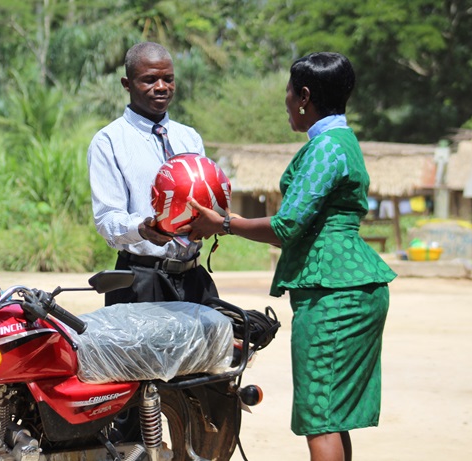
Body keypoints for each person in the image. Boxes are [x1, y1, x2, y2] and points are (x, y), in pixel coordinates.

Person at [179, 52, 397, 461]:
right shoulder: (342, 141)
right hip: (350, 286)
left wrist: (223, 224)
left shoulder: (326, 149)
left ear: (305, 96)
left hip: (333, 292)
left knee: (320, 416)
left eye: (289, 90)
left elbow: (286, 226)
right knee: (331, 415)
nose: (285, 99)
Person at [87, 41, 218, 306]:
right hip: (140, 281)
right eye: (149, 80)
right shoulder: (109, 141)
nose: (161, 87)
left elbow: (204, 197)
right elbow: (107, 219)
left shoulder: (190, 137)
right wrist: (142, 229)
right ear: (127, 84)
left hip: (194, 278)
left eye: (168, 79)